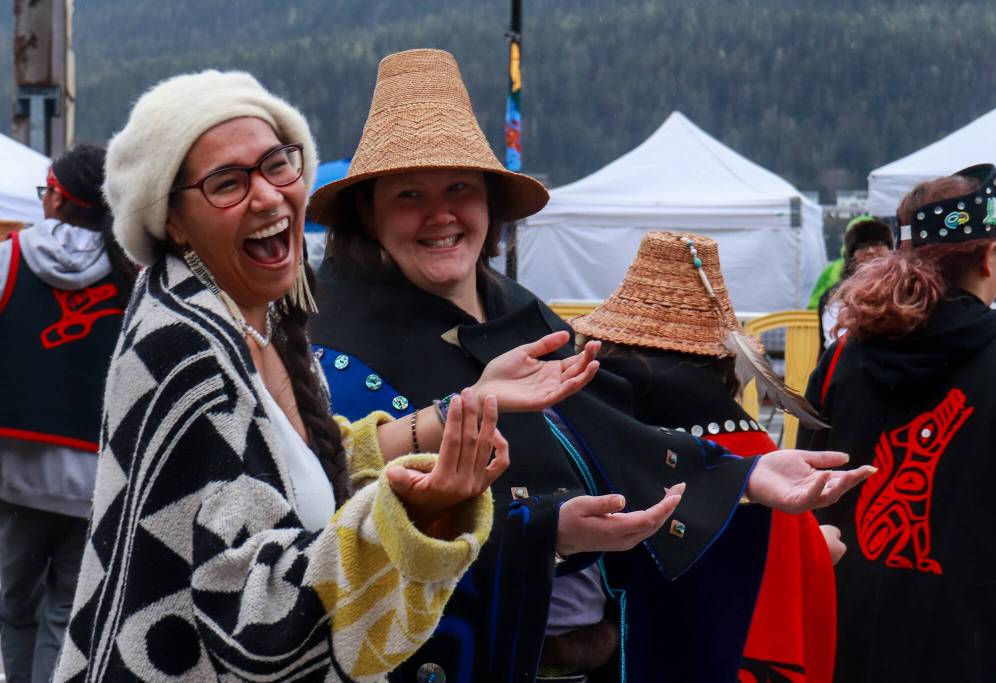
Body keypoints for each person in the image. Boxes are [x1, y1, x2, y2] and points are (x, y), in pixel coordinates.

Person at [308, 48, 873, 682]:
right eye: (410, 194)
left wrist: (744, 478)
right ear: (369, 212)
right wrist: (550, 536)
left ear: (490, 201)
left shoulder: (526, 316)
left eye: (460, 188)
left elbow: (618, 439)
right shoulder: (335, 351)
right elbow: (339, 536)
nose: (441, 215)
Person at [51, 70, 599, 683]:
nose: (266, 195)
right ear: (173, 221)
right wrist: (415, 518)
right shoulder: (185, 351)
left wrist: (459, 409)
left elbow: (309, 466)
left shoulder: (263, 319)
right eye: (227, 183)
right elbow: (251, 613)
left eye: (276, 165)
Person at [572, 230, 844, 683]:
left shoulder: (591, 427)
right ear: (722, 361)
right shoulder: (753, 451)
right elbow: (787, 580)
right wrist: (821, 549)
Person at [798, 164, 996, 682]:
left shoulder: (842, 358)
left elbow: (804, 487)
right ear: (991, 258)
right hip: (974, 646)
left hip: (845, 637)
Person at [0, 143, 135, 683]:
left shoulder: (9, 257)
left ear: (55, 197)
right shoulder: (133, 271)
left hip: (13, 470)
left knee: (13, 607)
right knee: (66, 611)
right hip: (97, 478)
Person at [817, 215, 894, 351]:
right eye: (862, 246)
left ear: (891, 250)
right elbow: (835, 345)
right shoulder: (837, 297)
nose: (870, 250)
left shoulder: (904, 290)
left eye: (878, 243)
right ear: (851, 256)